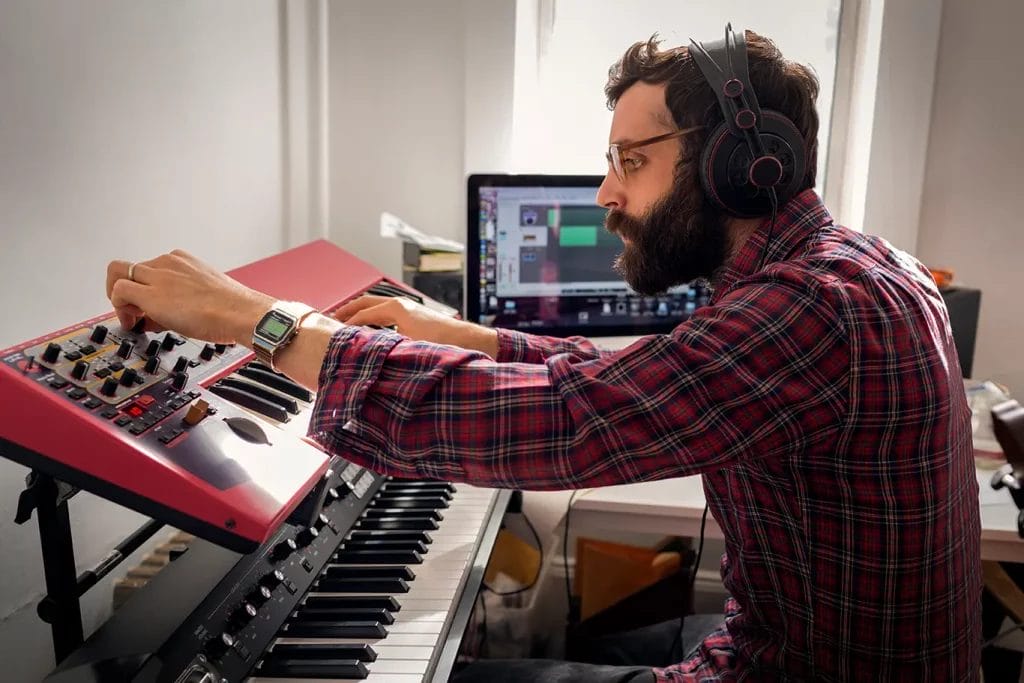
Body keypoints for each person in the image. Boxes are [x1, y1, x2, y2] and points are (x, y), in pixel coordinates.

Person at [104, 26, 981, 683]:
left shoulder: (812, 309)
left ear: (737, 166)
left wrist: (260, 321)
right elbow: (635, 378)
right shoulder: (850, 267)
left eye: (630, 162)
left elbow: (573, 420)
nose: (606, 193)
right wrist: (473, 337)